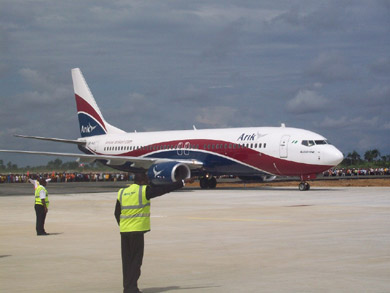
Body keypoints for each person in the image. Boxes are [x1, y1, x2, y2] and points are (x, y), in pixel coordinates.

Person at [114, 173, 185, 293]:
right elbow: (163, 190)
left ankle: (127, 287)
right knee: (136, 261)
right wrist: (180, 183)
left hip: (125, 231)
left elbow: (116, 213)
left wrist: (124, 225)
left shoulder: (122, 192)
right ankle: (131, 289)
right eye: (147, 180)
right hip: (136, 231)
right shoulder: (143, 191)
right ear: (142, 181)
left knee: (127, 262)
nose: (148, 182)